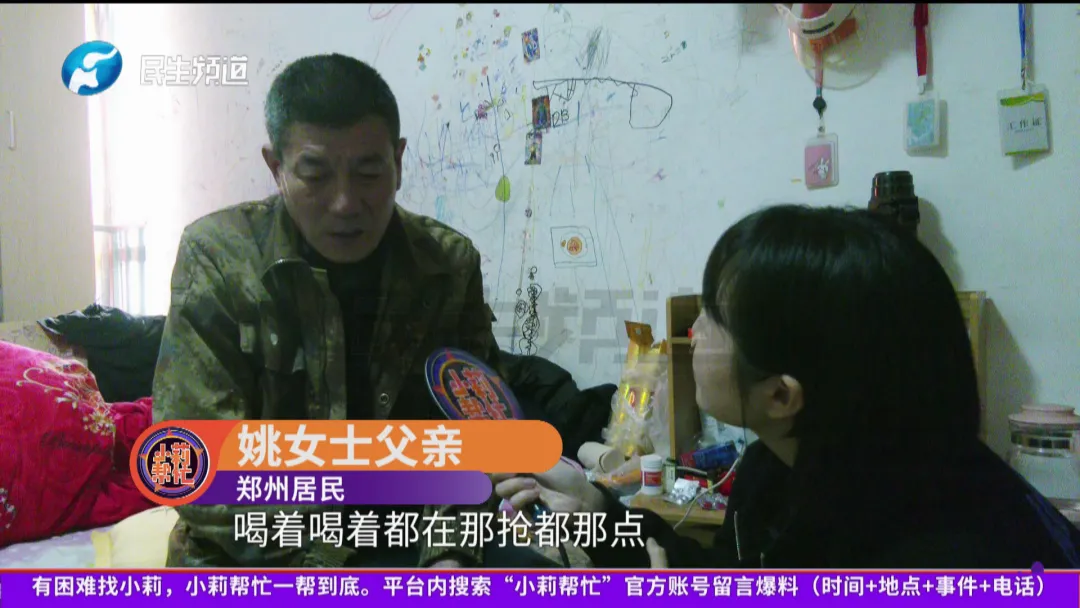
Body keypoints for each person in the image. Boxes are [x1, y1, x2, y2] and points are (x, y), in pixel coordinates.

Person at [496, 205, 1080, 569]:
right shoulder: (779, 469)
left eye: (713, 319)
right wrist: (596, 511)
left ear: (781, 395)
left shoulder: (945, 559)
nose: (693, 334)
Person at [153, 53, 556, 569]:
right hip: (258, 560)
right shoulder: (220, 258)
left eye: (368, 173)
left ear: (399, 161)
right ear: (276, 168)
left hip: (407, 549)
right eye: (315, 175)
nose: (345, 203)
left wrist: (448, 553)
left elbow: (475, 437)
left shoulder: (446, 266)